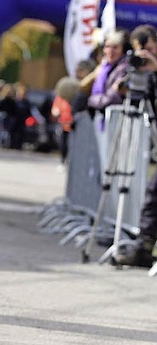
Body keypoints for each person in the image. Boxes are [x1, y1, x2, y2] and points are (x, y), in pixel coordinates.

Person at [112, 24, 157, 268]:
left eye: (149, 49)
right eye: (141, 51)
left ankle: (143, 247)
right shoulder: (143, 72)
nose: (146, 56)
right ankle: (143, 248)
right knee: (152, 196)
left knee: (153, 194)